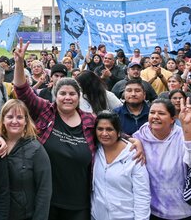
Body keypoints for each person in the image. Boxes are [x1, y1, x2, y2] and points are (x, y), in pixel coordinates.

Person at [12, 38, 143, 220]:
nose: (67, 97)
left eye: (72, 94)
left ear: (79, 96)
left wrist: (135, 141)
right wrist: (19, 63)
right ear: (55, 96)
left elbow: (110, 134)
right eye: (62, 93)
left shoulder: (89, 121)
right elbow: (22, 90)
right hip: (46, 199)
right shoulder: (46, 111)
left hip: (79, 203)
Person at [133, 98, 191, 219]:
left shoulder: (182, 135)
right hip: (154, 211)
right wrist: (134, 141)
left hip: (185, 211)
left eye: (161, 113)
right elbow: (118, 138)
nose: (155, 116)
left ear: (172, 119)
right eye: (152, 112)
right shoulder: (140, 136)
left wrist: (187, 124)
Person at [0, 99, 52, 220]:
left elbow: (44, 190)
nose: (14, 121)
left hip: (24, 215)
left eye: (19, 117)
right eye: (10, 117)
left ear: (26, 121)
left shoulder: (36, 150)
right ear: (3, 120)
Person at [91, 111, 150, 220]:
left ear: (118, 132)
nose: (104, 133)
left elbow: (142, 195)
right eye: (100, 129)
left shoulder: (134, 155)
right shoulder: (94, 150)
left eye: (109, 129)